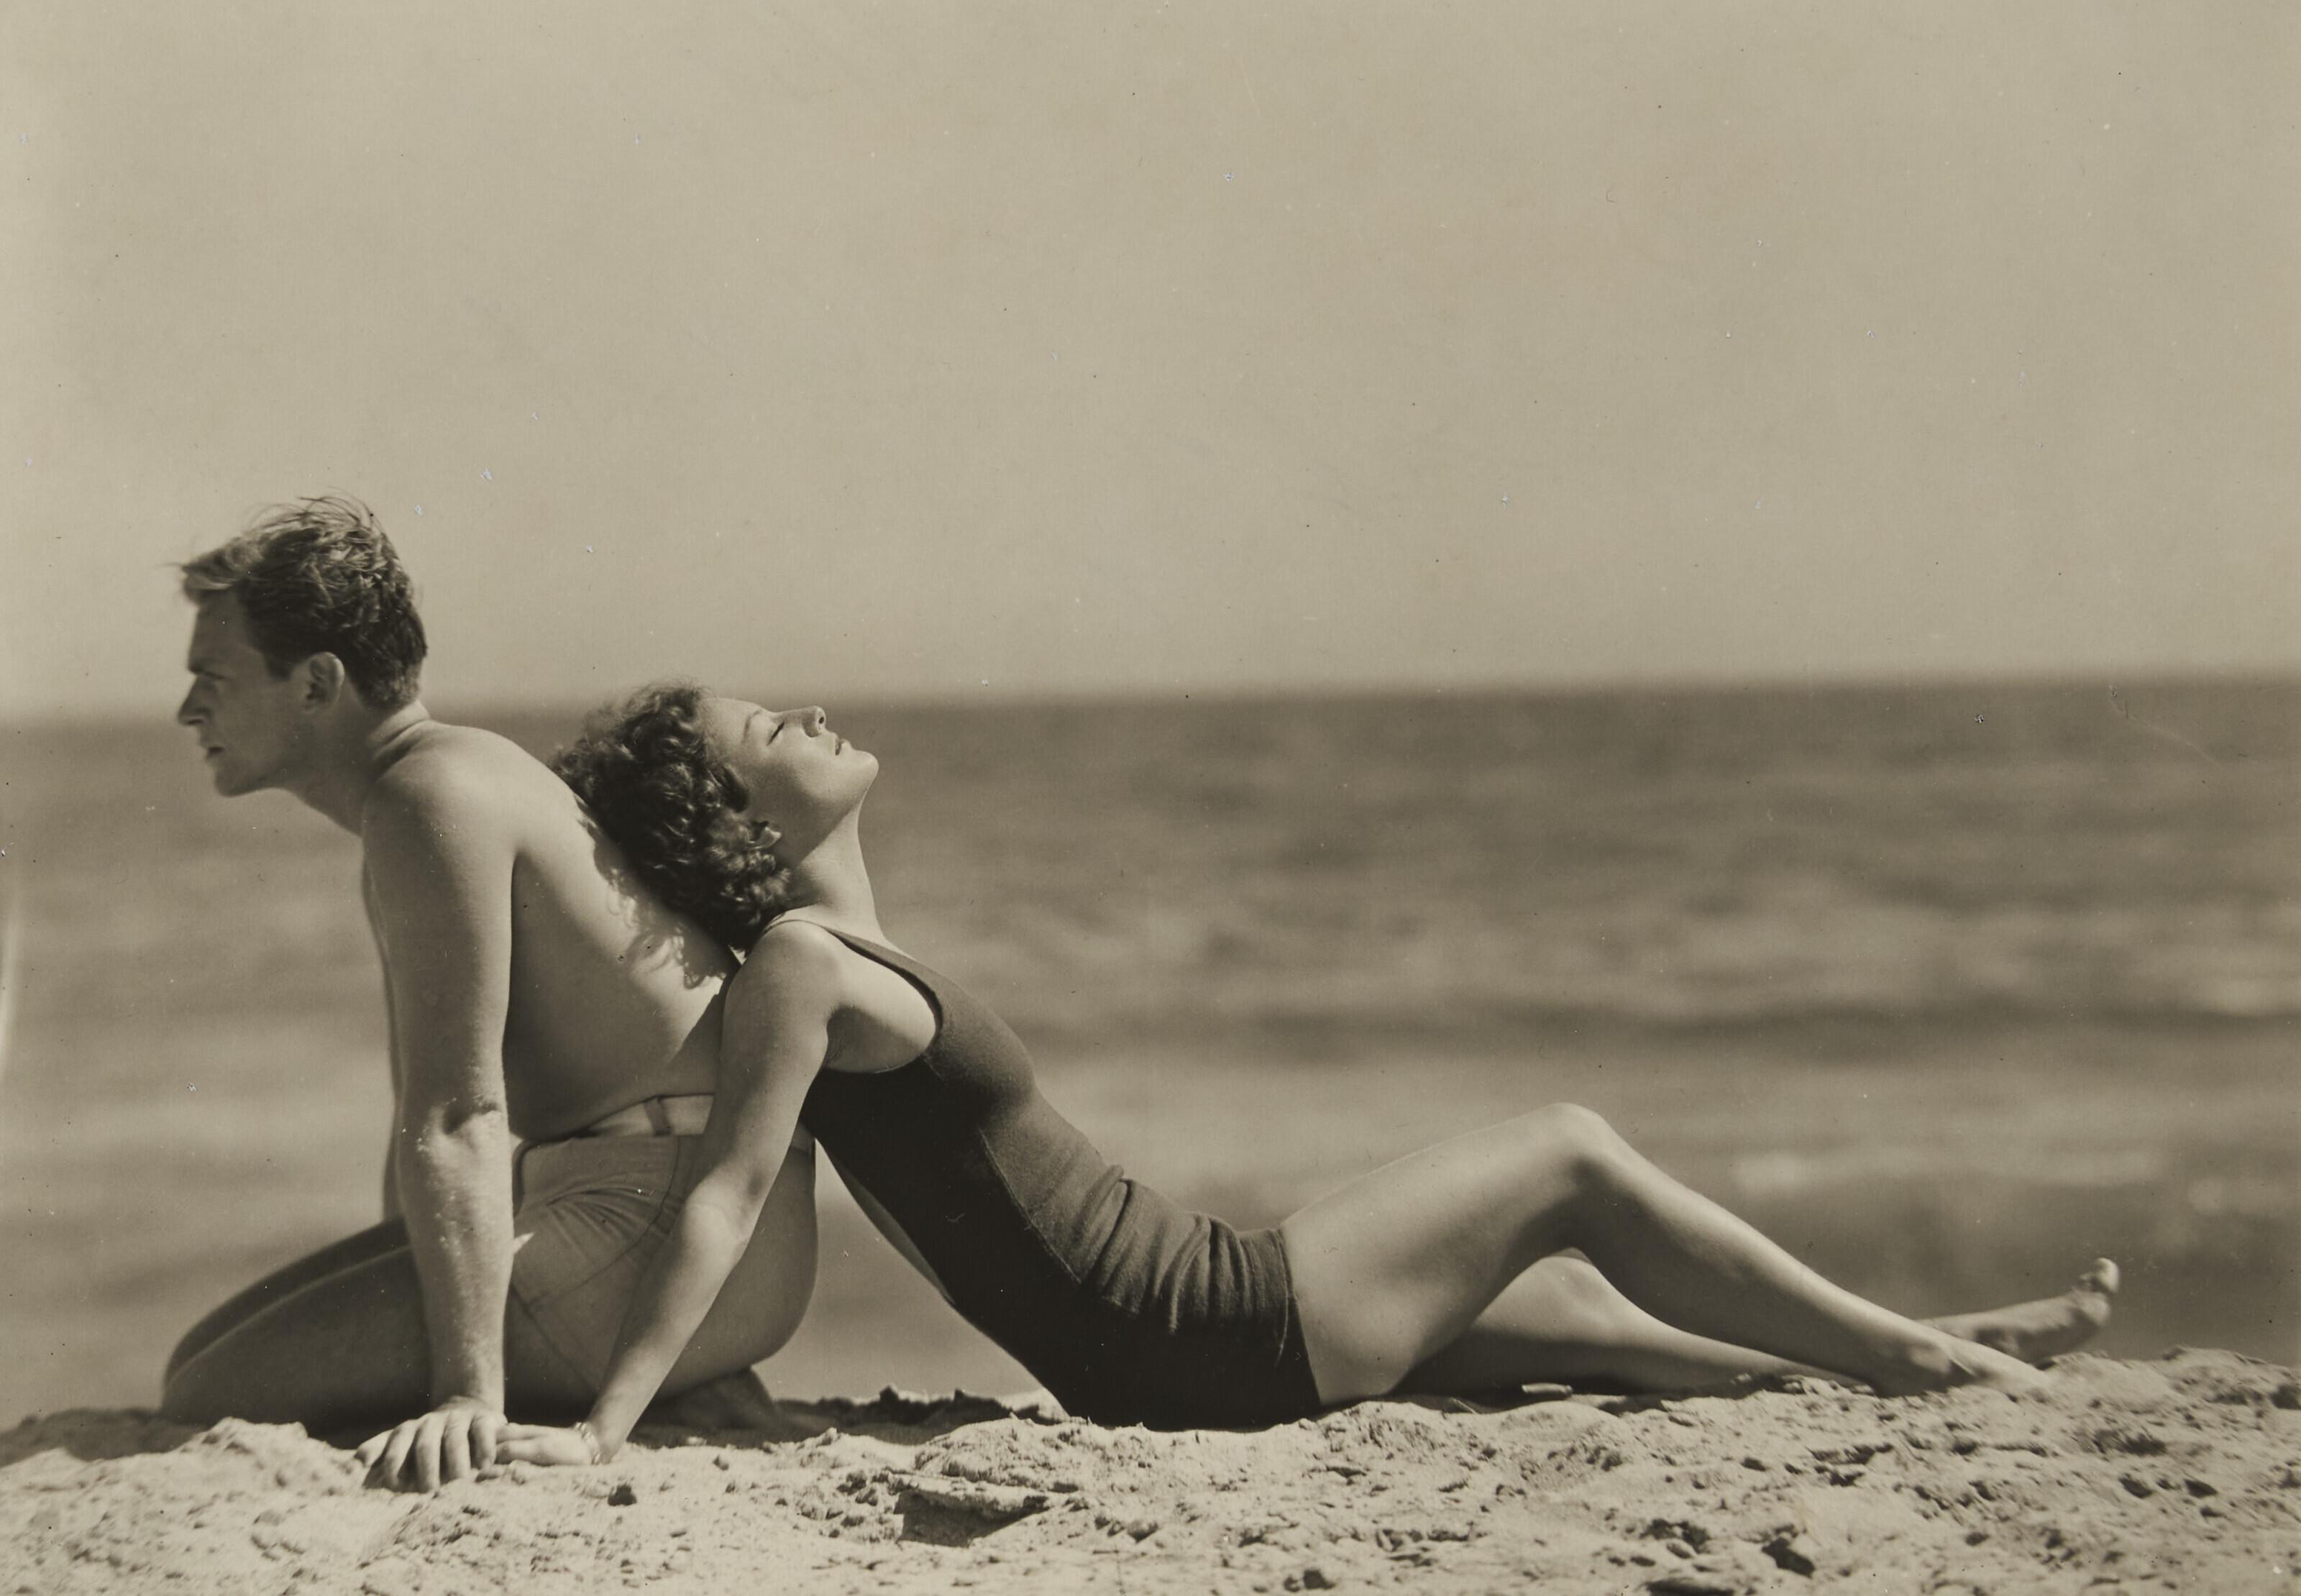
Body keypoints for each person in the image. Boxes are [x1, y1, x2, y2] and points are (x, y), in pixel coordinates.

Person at [495, 682, 2116, 1466]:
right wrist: (609, 1422)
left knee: (1588, 1335)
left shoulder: (838, 950)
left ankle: (1921, 1350)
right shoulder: (800, 969)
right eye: (767, 725)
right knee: (1566, 1151)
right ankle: (1918, 1364)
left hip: (1170, 1340)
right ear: (738, 816)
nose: (811, 709)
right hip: (1205, 1328)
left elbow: (924, 1200)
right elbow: (719, 1200)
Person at [158, 502, 818, 1491]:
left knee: (206, 1384)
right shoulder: (441, 782)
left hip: (659, 1238)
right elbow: (414, 1125)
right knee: (218, 1347)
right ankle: (682, 1383)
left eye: (213, 680)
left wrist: (466, 1394)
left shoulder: (430, 803)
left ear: (319, 682)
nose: (187, 713)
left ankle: (647, 1376)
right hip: (693, 1244)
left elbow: (461, 1114)